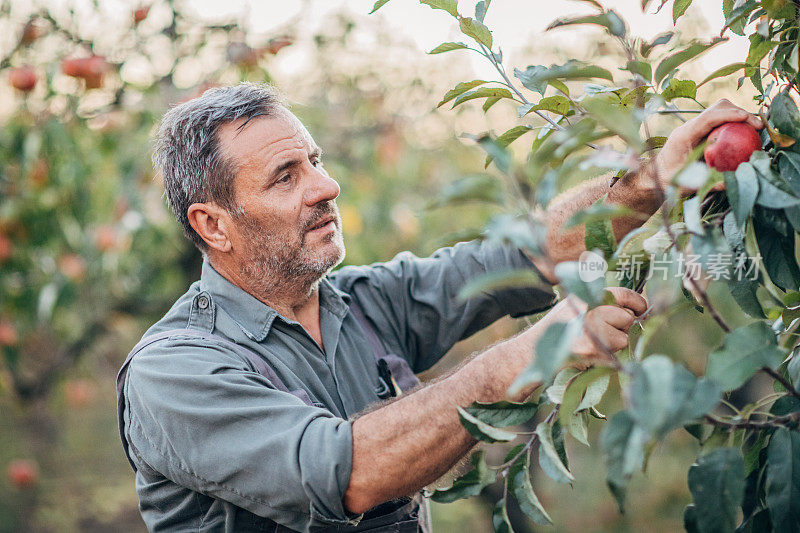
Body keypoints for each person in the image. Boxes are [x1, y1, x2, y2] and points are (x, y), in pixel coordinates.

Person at [116, 82, 761, 532]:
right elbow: (348, 474)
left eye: (315, 161)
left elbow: (528, 257)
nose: (327, 186)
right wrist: (526, 355)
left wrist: (653, 180)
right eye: (286, 177)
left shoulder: (359, 304)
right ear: (214, 224)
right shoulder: (173, 372)